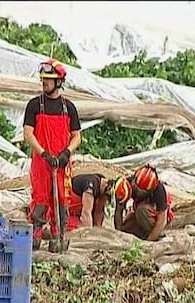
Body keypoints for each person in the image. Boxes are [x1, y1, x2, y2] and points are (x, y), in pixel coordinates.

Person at [23, 58, 81, 253]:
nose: (44, 82)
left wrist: (67, 152)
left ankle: (59, 238)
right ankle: (35, 238)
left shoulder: (68, 107)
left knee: (63, 202)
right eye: (43, 79)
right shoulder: (34, 105)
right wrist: (43, 153)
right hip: (42, 164)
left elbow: (76, 136)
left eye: (48, 79)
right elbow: (28, 133)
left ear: (59, 81)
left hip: (62, 164)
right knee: (40, 201)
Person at [113, 164, 175, 241]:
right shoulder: (125, 186)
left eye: (142, 191)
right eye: (137, 188)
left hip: (153, 216)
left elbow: (162, 220)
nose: (138, 192)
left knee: (142, 211)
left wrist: (148, 242)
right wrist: (119, 235)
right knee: (126, 229)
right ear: (134, 181)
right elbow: (119, 210)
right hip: (138, 213)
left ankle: (157, 235)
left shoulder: (159, 190)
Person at [67, 174, 133, 232]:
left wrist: (98, 232)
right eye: (108, 196)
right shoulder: (91, 185)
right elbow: (86, 213)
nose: (106, 199)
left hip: (77, 213)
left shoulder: (102, 186)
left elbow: (99, 213)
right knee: (77, 229)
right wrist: (89, 234)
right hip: (67, 209)